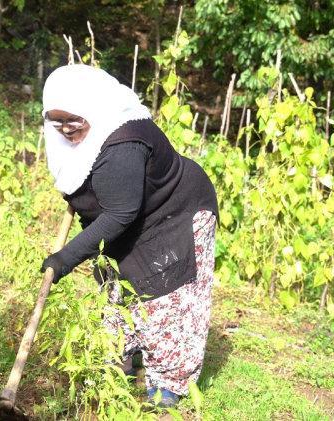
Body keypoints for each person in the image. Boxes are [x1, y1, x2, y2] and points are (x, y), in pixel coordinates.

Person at [39, 65, 218, 409]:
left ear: (93, 108)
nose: (65, 131)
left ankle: (168, 383)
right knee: (118, 286)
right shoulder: (71, 139)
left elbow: (120, 213)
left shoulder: (123, 143)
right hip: (132, 216)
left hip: (176, 213)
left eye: (74, 121)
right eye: (57, 122)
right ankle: (125, 358)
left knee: (168, 299)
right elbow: (94, 195)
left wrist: (65, 259)